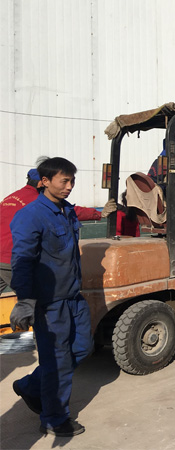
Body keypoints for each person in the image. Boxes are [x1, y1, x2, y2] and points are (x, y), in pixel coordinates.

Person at [9, 157, 93, 436]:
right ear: (45, 182)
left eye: (72, 181)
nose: (70, 186)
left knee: (81, 348)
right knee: (57, 360)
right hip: (50, 303)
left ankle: (30, 386)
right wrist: (24, 301)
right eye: (64, 181)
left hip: (73, 298)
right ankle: (54, 418)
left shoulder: (66, 211)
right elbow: (22, 261)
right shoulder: (30, 216)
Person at [0, 168, 116, 293]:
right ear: (42, 183)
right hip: (14, 259)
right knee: (38, 301)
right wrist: (99, 214)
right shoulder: (38, 201)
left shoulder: (10, 198)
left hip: (4, 256)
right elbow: (69, 211)